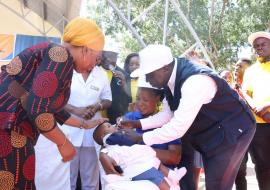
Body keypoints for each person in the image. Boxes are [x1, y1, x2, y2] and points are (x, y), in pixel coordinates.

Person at [111, 44, 256, 190]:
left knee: (218, 184)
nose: (147, 80)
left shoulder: (195, 81)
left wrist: (140, 138)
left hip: (234, 129)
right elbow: (167, 115)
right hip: (213, 131)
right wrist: (136, 124)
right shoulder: (169, 80)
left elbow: (177, 127)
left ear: (165, 68)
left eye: (149, 74)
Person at [0, 17, 107, 189]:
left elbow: (47, 106)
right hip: (8, 129)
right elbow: (39, 110)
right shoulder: (61, 55)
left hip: (9, 127)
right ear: (86, 49)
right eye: (97, 58)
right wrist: (63, 143)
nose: (95, 65)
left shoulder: (57, 56)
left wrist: (83, 124)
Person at [93, 122, 186, 190]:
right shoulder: (110, 138)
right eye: (109, 126)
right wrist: (136, 139)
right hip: (138, 168)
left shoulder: (111, 142)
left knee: (157, 166)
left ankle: (173, 175)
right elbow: (126, 140)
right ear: (104, 135)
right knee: (157, 177)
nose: (113, 125)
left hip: (141, 164)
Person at [123, 77, 182, 169]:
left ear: (157, 99)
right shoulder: (130, 118)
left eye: (145, 100)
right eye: (138, 99)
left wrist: (140, 151)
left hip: (161, 177)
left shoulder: (168, 122)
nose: (140, 103)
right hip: (133, 172)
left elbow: (174, 157)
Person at [242, 31, 270, 190]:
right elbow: (246, 93)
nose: (259, 48)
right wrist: (256, 108)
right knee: (262, 164)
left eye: (263, 44)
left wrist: (266, 105)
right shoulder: (251, 70)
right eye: (256, 46)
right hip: (259, 124)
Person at [232, 58, 251, 190]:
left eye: (240, 66)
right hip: (238, 135)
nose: (236, 68)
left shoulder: (255, 85)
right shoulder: (230, 87)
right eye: (236, 66)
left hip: (258, 132)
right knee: (239, 171)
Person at [100, 51, 131, 124]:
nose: (108, 59)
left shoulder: (125, 75)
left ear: (116, 57)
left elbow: (128, 100)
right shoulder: (93, 69)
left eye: (111, 56)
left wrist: (124, 84)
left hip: (112, 119)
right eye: (104, 55)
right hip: (93, 116)